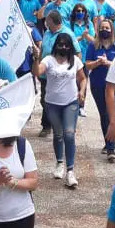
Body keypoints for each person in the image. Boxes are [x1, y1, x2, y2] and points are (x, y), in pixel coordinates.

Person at [33, 33, 86, 189]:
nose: (63, 47)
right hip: (52, 104)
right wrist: (35, 58)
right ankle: (59, 163)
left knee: (69, 134)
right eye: (60, 44)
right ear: (55, 45)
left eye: (66, 45)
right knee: (58, 134)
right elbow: (37, 72)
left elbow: (83, 78)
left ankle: (70, 171)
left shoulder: (75, 60)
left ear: (70, 47)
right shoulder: (48, 60)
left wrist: (82, 91)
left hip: (71, 102)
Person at [84, 18, 115, 163]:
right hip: (98, 84)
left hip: (114, 85)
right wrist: (97, 62)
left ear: (112, 30)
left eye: (107, 28)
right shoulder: (93, 45)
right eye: (102, 28)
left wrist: (108, 63)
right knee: (104, 115)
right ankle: (109, 145)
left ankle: (110, 147)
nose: (104, 30)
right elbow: (87, 65)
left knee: (112, 114)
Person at [36, 10, 78, 138]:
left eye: (47, 20)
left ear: (51, 21)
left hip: (61, 74)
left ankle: (59, 123)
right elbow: (42, 50)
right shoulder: (47, 33)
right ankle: (47, 125)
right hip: (45, 71)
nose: (45, 22)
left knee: (58, 99)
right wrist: (38, 63)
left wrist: (73, 70)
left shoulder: (67, 33)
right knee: (45, 98)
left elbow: (77, 52)